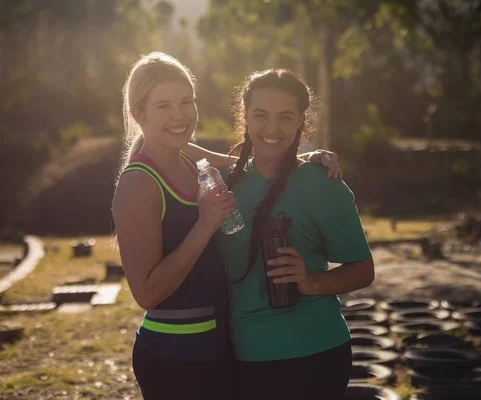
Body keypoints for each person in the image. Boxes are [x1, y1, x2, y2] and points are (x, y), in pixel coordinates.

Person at [111, 52, 341, 399]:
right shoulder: (138, 184)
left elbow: (249, 163)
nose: (179, 115)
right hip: (175, 356)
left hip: (219, 345)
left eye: (186, 101)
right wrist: (206, 224)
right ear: (137, 114)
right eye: (163, 106)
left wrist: (310, 158)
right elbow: (146, 294)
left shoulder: (186, 154)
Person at [217, 69, 375, 400]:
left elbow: (363, 269)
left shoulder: (323, 184)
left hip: (313, 354)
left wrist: (311, 282)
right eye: (260, 115)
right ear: (244, 116)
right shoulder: (221, 186)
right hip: (242, 355)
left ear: (302, 121)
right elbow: (168, 149)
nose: (272, 128)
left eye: (285, 117)